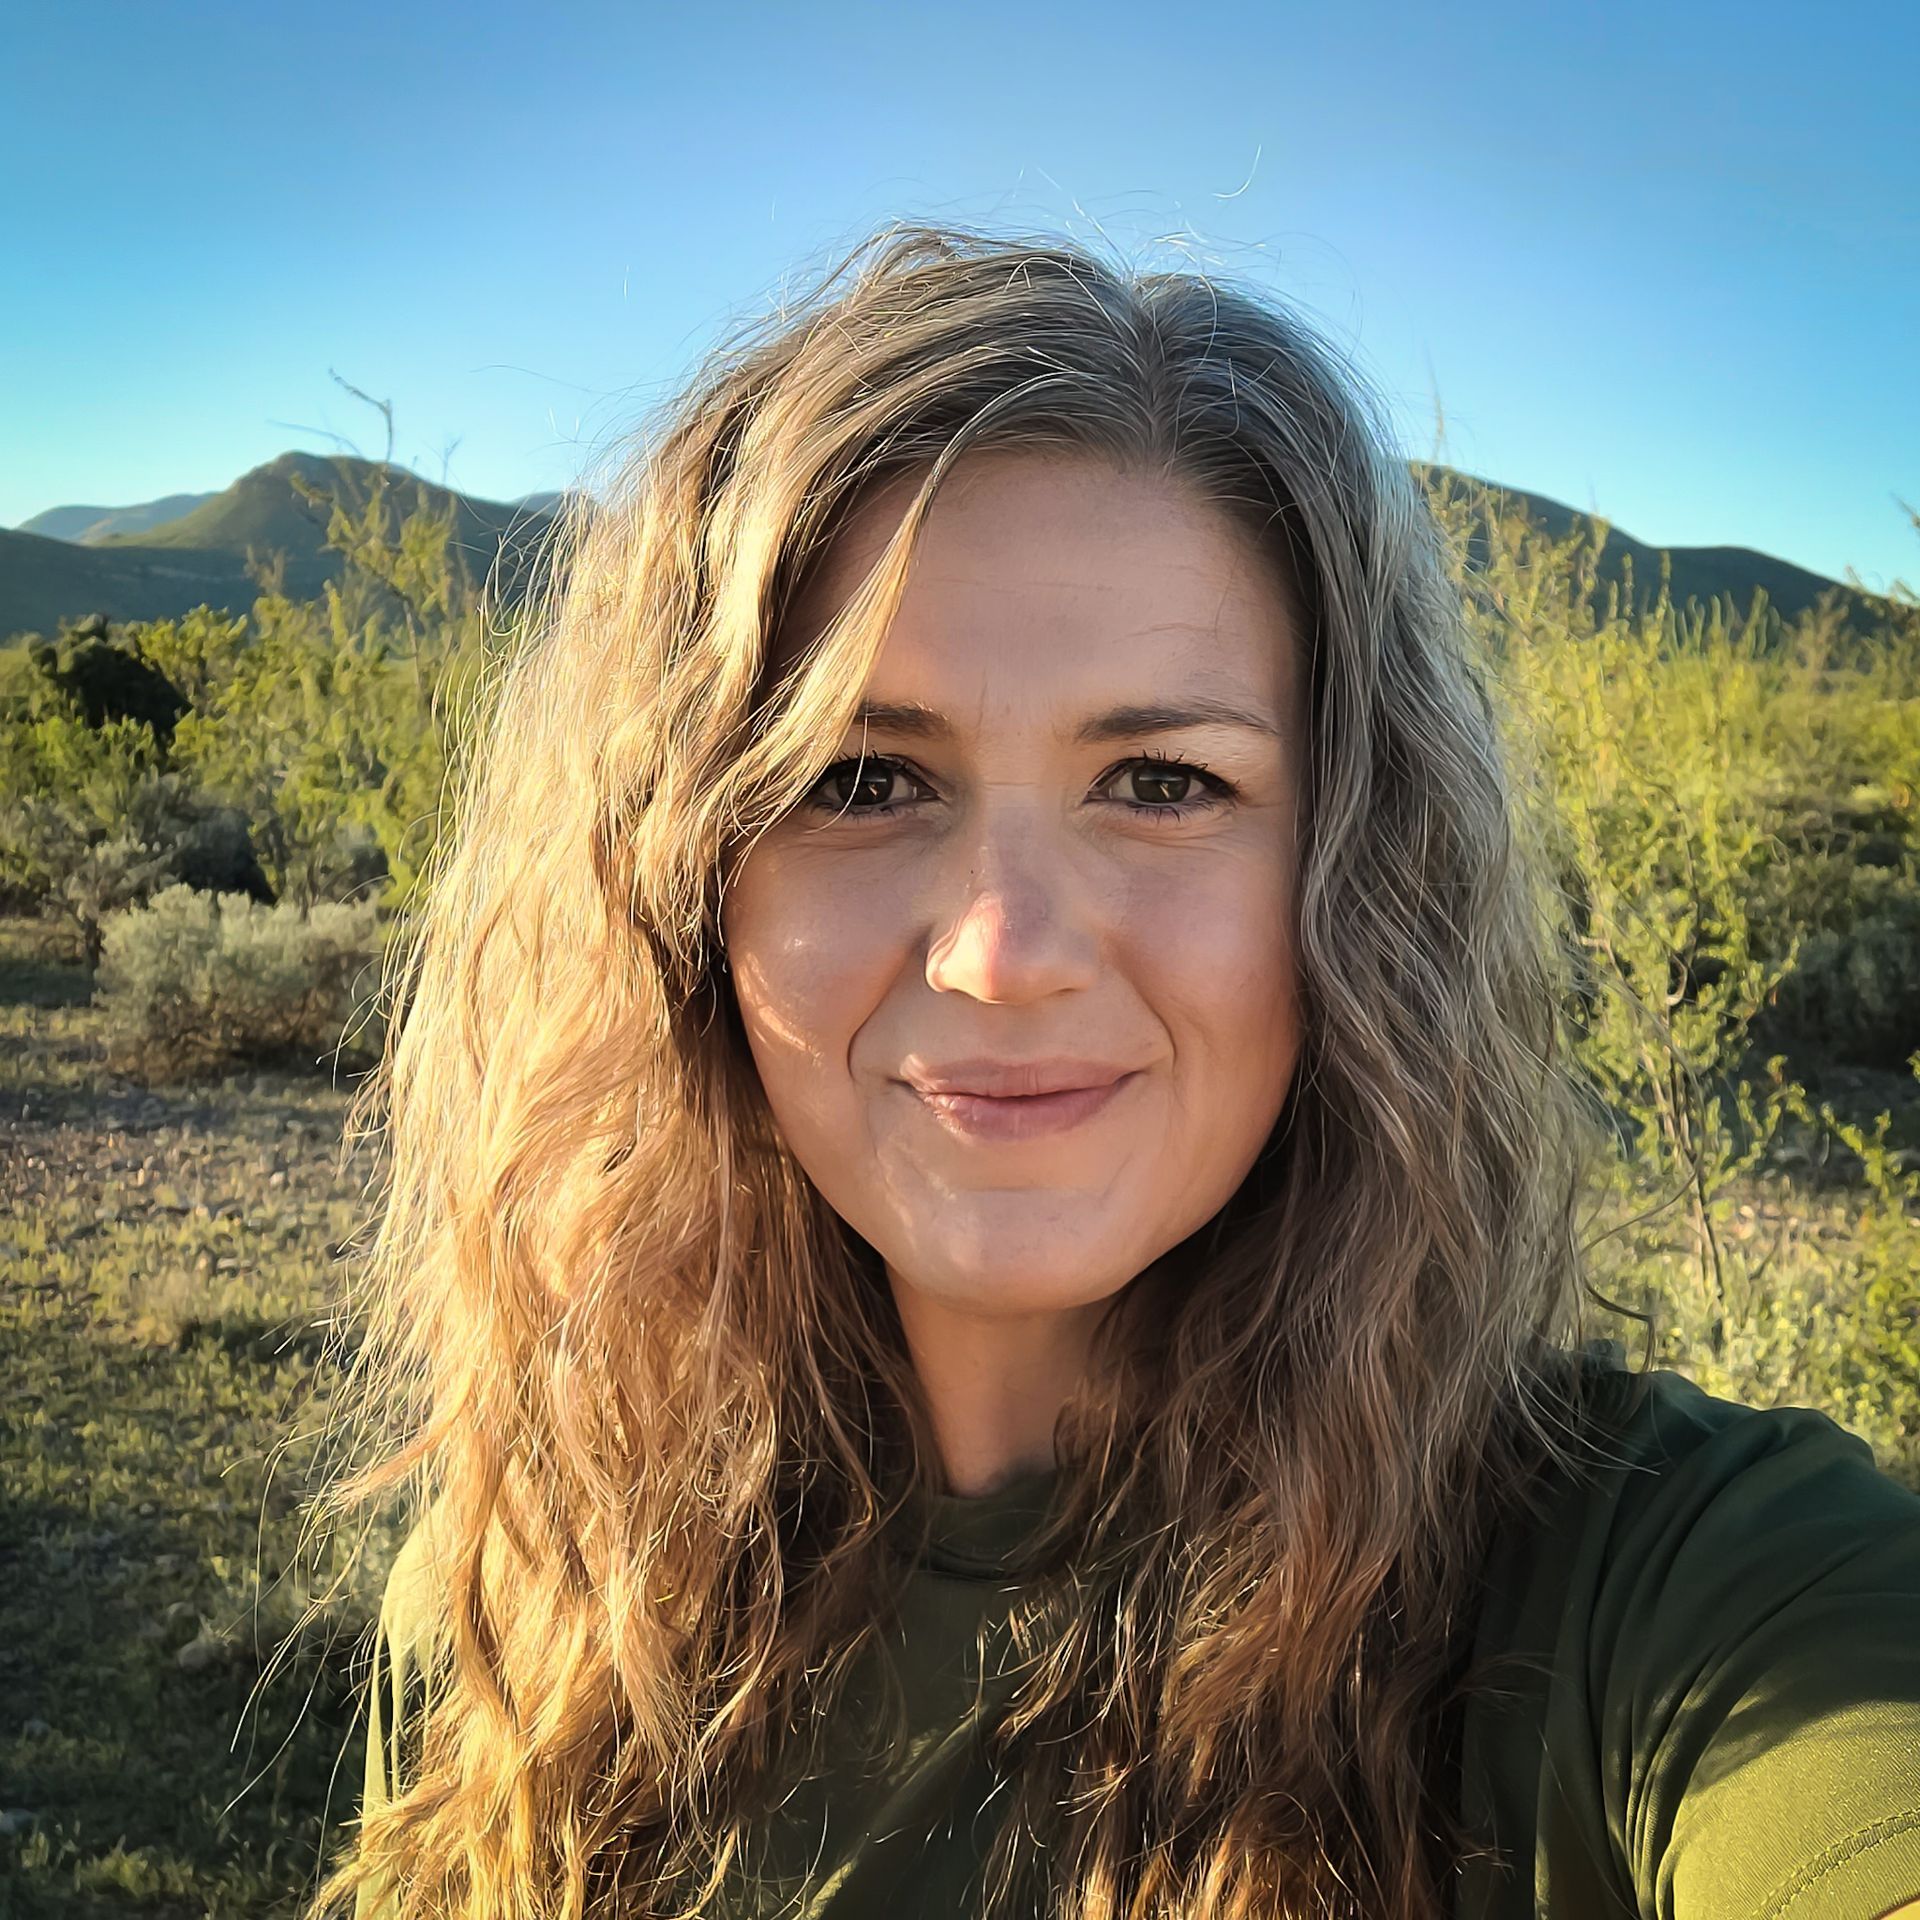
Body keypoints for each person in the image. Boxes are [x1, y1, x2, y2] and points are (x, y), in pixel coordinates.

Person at [310, 222, 1920, 1920]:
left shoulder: (1687, 1592)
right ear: (682, 893)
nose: (1004, 951)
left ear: (1359, 879)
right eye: (859, 781)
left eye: (1161, 782)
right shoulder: (541, 1604)